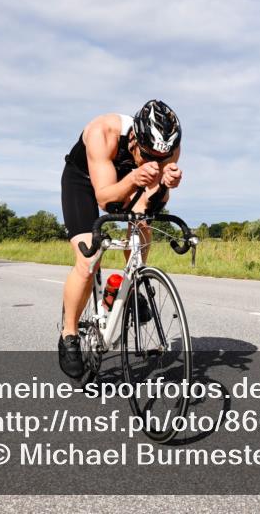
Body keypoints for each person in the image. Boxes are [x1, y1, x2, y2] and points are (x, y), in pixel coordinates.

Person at [58, 100, 183, 378]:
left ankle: (133, 282)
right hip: (84, 182)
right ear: (135, 140)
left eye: (162, 160)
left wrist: (165, 184)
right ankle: (69, 334)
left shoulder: (168, 149)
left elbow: (151, 201)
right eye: (149, 156)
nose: (157, 162)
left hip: (128, 176)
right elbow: (105, 199)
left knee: (142, 222)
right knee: (89, 257)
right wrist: (137, 177)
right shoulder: (103, 132)